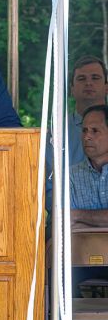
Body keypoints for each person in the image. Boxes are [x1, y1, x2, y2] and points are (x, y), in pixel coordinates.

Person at [45, 55, 108, 211]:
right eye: (81, 79)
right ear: (71, 89)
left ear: (106, 87)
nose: (88, 83)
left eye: (95, 78)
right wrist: (66, 213)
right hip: (68, 226)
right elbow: (48, 186)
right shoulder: (56, 133)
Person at [69, 104, 108, 296]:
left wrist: (80, 216)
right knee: (56, 273)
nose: (87, 136)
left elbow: (73, 217)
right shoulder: (71, 176)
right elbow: (66, 223)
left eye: (95, 131)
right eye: (84, 130)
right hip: (80, 260)